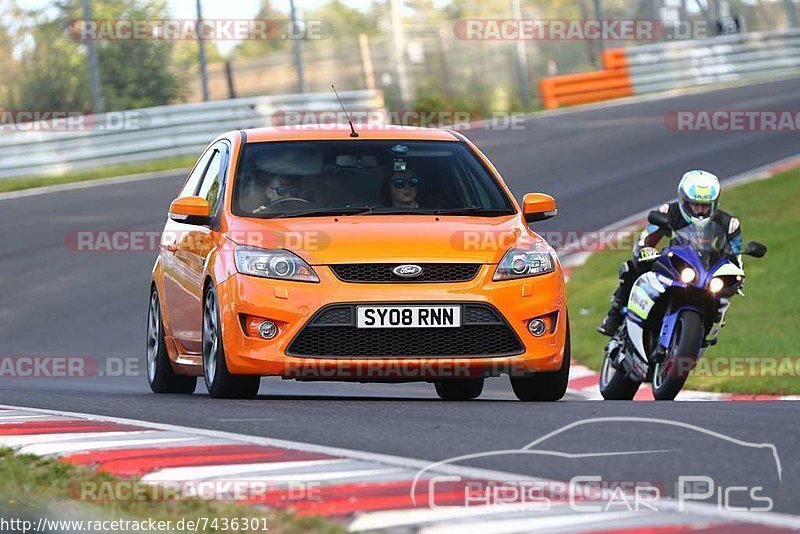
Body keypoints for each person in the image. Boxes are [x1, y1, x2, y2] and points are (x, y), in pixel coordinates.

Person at [597, 170, 743, 336]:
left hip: (706, 271)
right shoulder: (669, 211)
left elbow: (736, 257)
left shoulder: (728, 223)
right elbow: (648, 237)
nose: (700, 211)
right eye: (695, 204)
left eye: (705, 205)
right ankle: (614, 313)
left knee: (722, 296)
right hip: (676, 262)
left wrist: (737, 277)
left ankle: (704, 332)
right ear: (684, 200)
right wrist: (646, 250)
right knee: (633, 268)